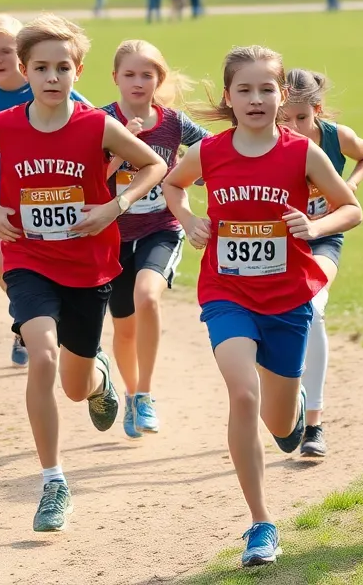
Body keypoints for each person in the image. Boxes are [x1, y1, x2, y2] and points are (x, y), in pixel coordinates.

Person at [0, 14, 167, 532]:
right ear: (24, 71)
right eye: (40, 68)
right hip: (29, 259)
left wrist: (115, 207)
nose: (52, 77)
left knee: (75, 386)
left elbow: (154, 165)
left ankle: (99, 381)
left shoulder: (97, 125)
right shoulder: (4, 125)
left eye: (62, 67)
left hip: (88, 266)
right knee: (42, 354)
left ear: (78, 71)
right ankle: (53, 482)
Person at [162, 46, 362, 567]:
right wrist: (189, 220)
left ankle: (292, 411)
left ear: (283, 95)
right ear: (228, 97)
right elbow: (172, 184)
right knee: (242, 392)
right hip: (227, 293)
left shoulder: (303, 154)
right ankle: (261, 522)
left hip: (288, 299)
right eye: (244, 90)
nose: (256, 99)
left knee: (280, 425)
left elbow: (351, 208)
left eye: (266, 89)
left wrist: (315, 226)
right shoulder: (209, 152)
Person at [0, 14, 88, 368]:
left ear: (23, 56)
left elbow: (91, 117)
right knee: (4, 264)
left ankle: (47, 315)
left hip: (48, 188)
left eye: (6, 51)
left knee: (50, 260)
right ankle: (26, 319)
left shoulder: (44, 80)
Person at [100, 40, 209, 438]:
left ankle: (145, 394)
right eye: (129, 74)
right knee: (124, 328)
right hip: (112, 235)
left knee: (147, 295)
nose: (138, 82)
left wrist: (197, 176)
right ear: (115, 78)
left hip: (159, 228)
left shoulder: (174, 123)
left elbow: (215, 151)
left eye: (147, 75)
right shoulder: (101, 121)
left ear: (159, 79)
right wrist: (120, 146)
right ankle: (131, 394)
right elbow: (88, 178)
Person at [278, 69, 363, 458]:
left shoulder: (337, 138)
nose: (293, 127)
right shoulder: (269, 142)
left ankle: (314, 423)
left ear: (317, 111)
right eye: (285, 118)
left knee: (312, 307)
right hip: (278, 245)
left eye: (302, 117)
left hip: (323, 239)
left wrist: (350, 185)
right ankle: (286, 395)